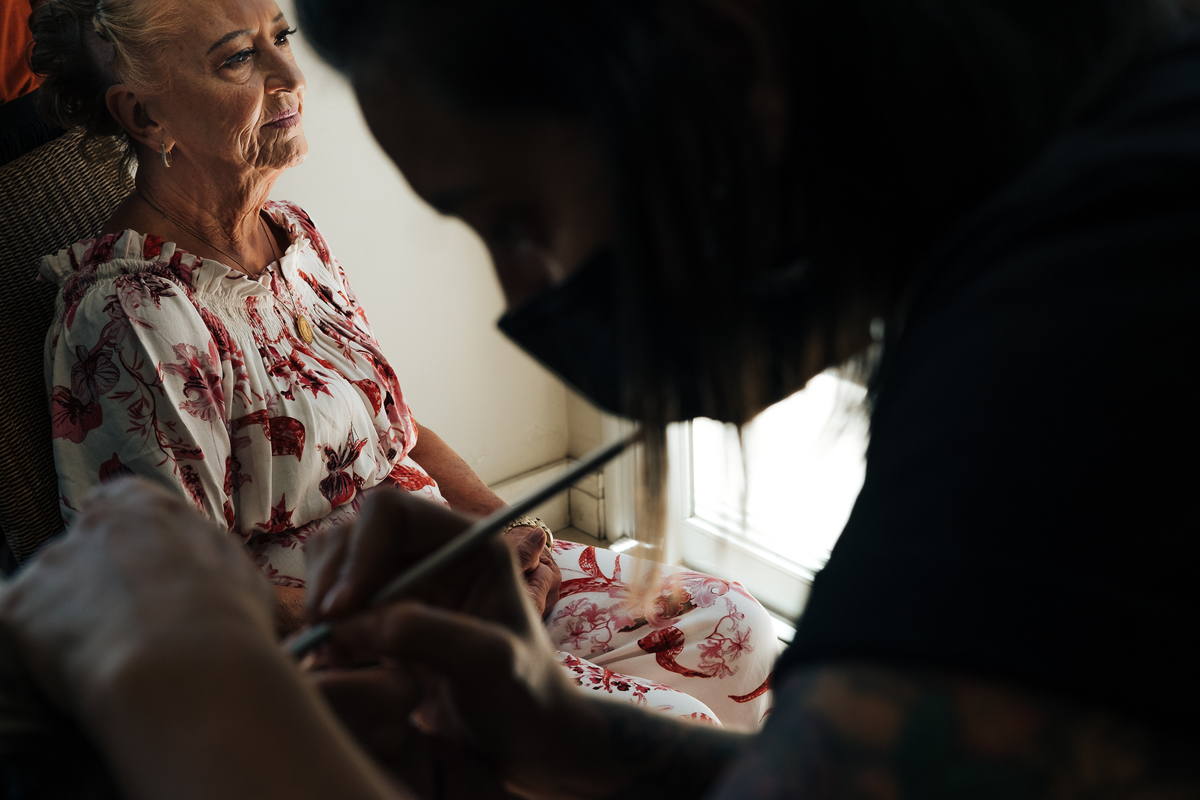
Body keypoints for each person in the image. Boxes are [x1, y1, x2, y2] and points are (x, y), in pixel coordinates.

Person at [2, 0, 1199, 797]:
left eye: (519, 220)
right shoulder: (1077, 171)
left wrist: (185, 696)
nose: (526, 296)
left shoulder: (1088, 327)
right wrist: (571, 732)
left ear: (730, 74)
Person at [26, 0, 774, 731]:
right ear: (145, 116)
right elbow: (182, 597)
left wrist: (500, 532)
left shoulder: (293, 239)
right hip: (343, 649)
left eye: (281, 35)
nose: (291, 72)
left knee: (735, 629)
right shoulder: (133, 318)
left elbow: (391, 424)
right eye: (240, 58)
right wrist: (424, 598)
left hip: (445, 571)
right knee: (672, 730)